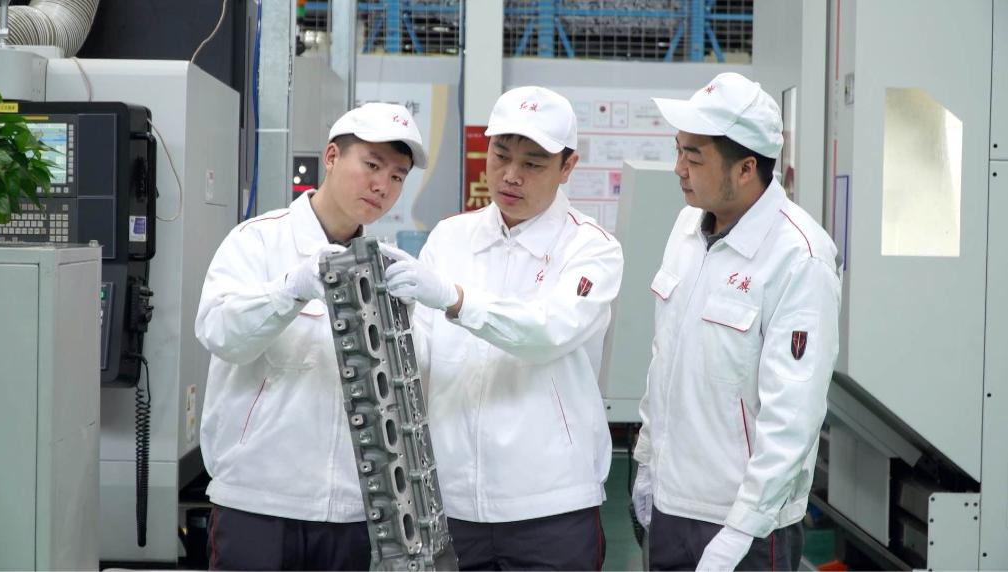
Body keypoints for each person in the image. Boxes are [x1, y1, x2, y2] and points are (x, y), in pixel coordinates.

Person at [380, 86, 623, 571]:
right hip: (449, 502)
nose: (511, 175)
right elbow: (421, 356)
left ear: (567, 167)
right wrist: (392, 319)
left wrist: (456, 299)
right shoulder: (451, 237)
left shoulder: (591, 248)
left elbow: (547, 332)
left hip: (551, 506)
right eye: (500, 155)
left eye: (532, 163)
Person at [194, 102, 426, 571]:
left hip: (355, 512)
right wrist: (289, 290)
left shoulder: (387, 269)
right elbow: (219, 332)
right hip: (257, 503)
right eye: (372, 165)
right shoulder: (258, 241)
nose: (382, 186)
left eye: (398, 176)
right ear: (332, 157)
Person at [631, 72, 842, 571]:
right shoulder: (688, 227)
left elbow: (793, 416)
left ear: (747, 168)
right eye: (678, 150)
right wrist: (646, 463)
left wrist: (742, 530)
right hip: (670, 506)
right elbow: (665, 359)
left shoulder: (799, 257)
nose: (678, 169)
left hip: (744, 526)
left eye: (693, 157)